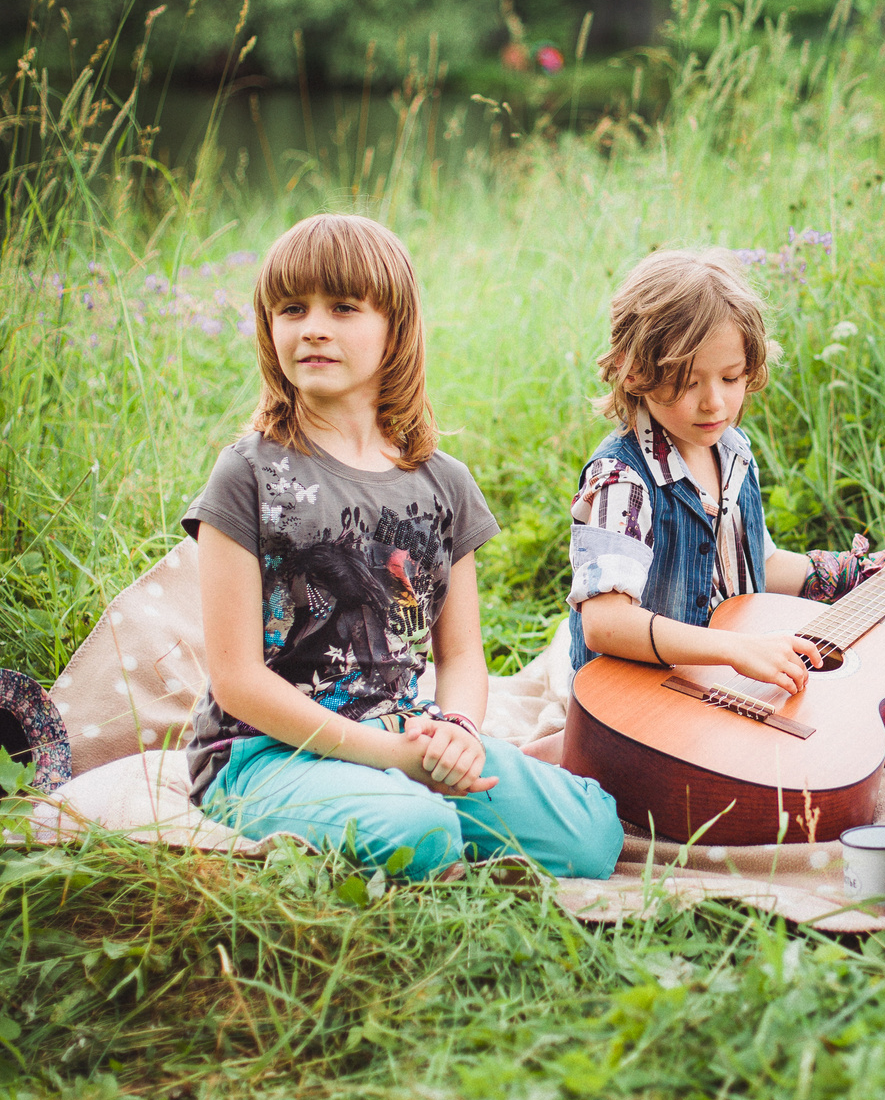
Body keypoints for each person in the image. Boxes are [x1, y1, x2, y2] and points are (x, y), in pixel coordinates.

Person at [182, 213, 623, 880]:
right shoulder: (248, 474)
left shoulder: (443, 483)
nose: (313, 327)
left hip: (403, 729)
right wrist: (391, 759)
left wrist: (457, 732)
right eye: (292, 308)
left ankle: (412, 797)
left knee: (593, 836)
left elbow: (462, 652)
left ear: (395, 328)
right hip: (265, 751)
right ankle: (399, 810)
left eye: (343, 307)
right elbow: (236, 680)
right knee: (421, 829)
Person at [538, 250, 885, 753]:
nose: (714, 401)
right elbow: (605, 624)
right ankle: (559, 754)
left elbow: (762, 563)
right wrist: (736, 650)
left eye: (730, 378)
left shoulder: (732, 452)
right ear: (632, 370)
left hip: (724, 684)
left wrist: (863, 574)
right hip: (641, 695)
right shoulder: (624, 479)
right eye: (688, 382)